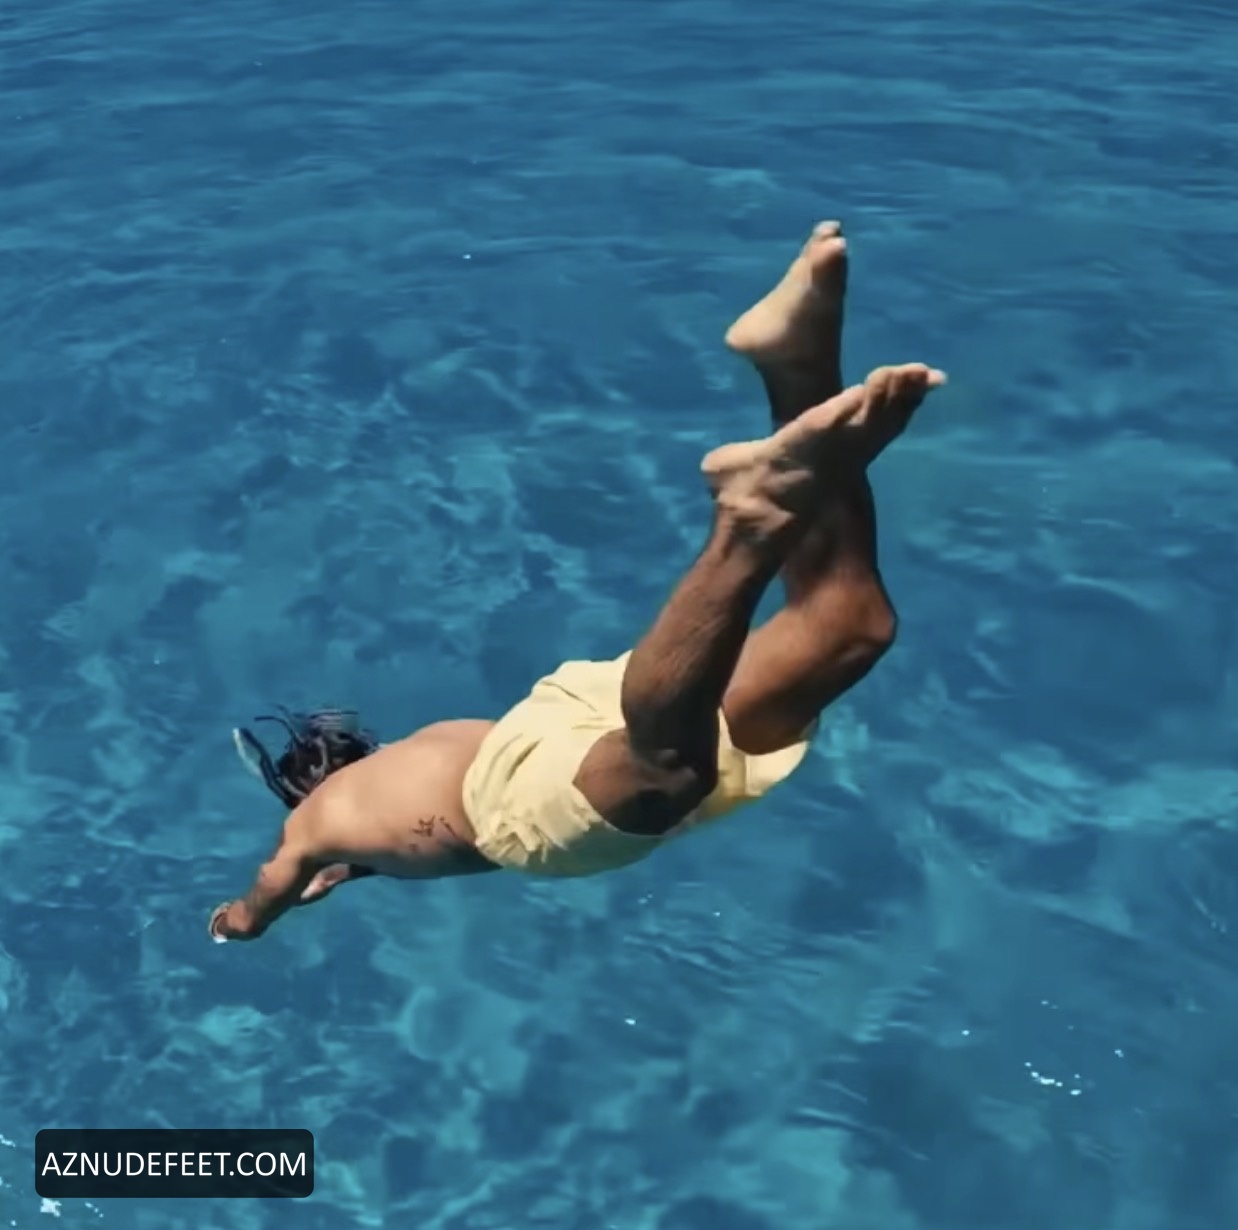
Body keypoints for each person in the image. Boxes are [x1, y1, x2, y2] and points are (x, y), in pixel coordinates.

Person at [207, 222, 946, 943]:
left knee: (666, 772)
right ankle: (796, 368)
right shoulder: (404, 763)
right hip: (551, 725)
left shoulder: (311, 829)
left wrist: (240, 922)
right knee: (846, 625)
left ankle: (748, 522)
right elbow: (396, 834)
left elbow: (273, 882)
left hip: (516, 796)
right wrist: (346, 869)